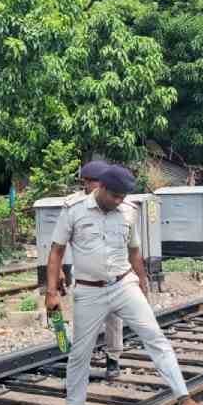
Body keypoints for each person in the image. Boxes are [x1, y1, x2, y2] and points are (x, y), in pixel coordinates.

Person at [45, 165, 203, 405]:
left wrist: (142, 282)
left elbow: (134, 251)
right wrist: (51, 293)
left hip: (123, 285)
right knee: (80, 351)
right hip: (88, 291)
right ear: (102, 188)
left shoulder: (128, 211)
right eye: (115, 196)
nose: (119, 201)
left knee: (155, 337)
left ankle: (184, 397)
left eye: (123, 197)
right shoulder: (74, 211)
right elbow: (56, 251)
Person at [59, 160, 125, 378]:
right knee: (83, 323)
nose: (89, 186)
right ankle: (81, 364)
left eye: (93, 181)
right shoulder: (73, 205)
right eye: (86, 182)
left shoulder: (118, 203)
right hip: (85, 276)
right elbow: (60, 242)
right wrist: (60, 269)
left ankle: (113, 360)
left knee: (114, 319)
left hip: (113, 273)